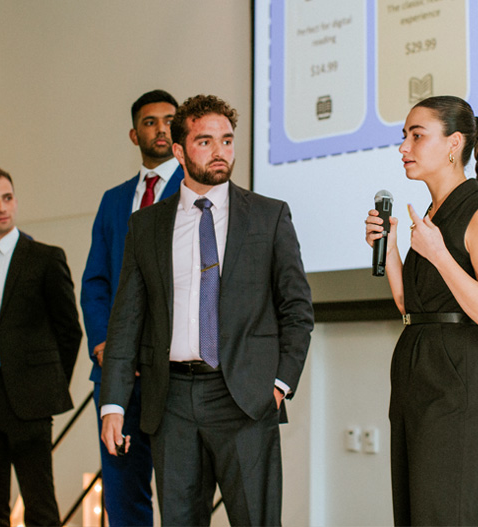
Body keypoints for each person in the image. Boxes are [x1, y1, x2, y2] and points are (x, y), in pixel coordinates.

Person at [99, 94, 314, 526]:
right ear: (178, 150)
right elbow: (126, 320)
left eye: (228, 140)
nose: (220, 152)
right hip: (172, 399)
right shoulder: (146, 226)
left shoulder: (268, 217)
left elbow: (297, 308)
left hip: (246, 398)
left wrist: (278, 384)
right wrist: (113, 405)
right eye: (205, 141)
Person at [365, 95, 478, 525]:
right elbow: (412, 307)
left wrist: (438, 253)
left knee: (444, 517)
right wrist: (391, 250)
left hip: (453, 383)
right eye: (403, 136)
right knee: (413, 516)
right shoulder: (431, 215)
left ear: (454, 144)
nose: (403, 148)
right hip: (415, 371)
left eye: (417, 135)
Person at [81, 89, 183, 526]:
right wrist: (105, 344)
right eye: (149, 121)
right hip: (118, 372)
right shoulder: (113, 200)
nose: (160, 128)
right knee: (123, 498)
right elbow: (96, 281)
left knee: (181, 492)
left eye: (168, 120)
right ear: (133, 133)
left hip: (174, 371)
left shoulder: (197, 190)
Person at [0, 167, 82, 527]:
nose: (2, 207)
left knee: (40, 504)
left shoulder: (45, 257)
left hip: (29, 400)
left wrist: (48, 385)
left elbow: (69, 331)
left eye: (7, 197)